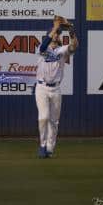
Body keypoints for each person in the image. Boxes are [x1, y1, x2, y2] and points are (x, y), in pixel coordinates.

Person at [35, 16, 78, 158]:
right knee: (43, 117)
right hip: (41, 88)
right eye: (54, 34)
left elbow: (74, 47)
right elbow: (43, 45)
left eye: (57, 34)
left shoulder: (62, 50)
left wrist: (71, 33)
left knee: (54, 121)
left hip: (56, 89)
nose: (56, 36)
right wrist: (55, 27)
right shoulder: (42, 49)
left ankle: (49, 148)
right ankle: (42, 145)